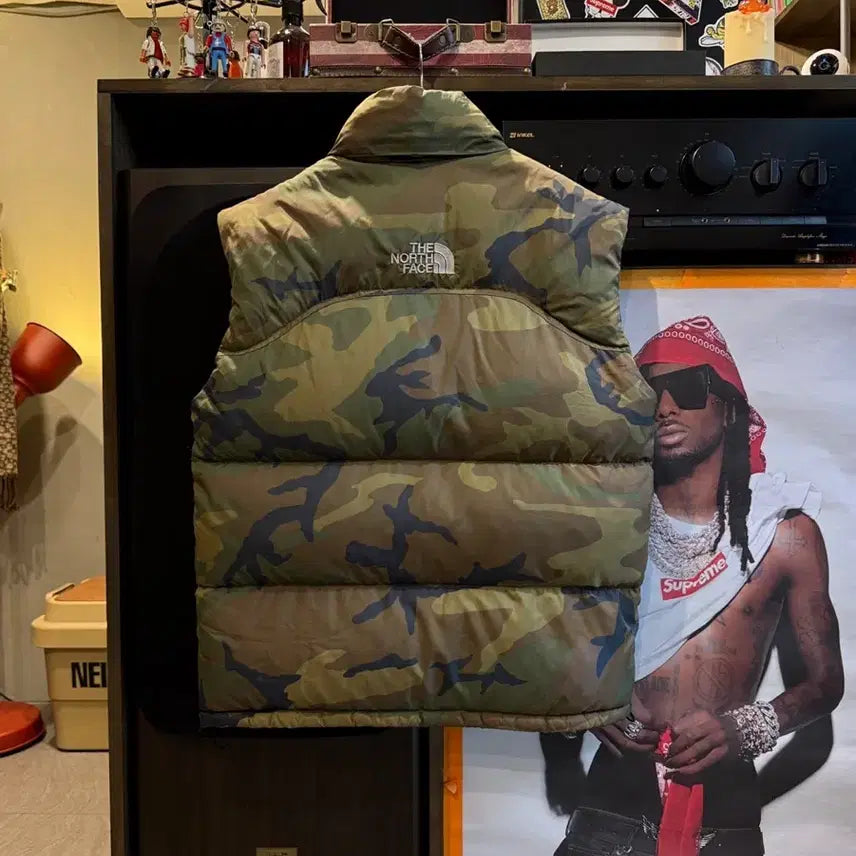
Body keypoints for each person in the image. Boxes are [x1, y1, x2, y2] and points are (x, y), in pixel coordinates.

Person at [554, 316, 844, 856]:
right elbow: (551, 647)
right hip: (608, 808)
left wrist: (745, 728)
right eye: (649, 394)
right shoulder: (606, 528)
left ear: (729, 408)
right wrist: (588, 707)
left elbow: (825, 685)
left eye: (686, 388)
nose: (665, 407)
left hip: (727, 814)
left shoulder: (784, 535)